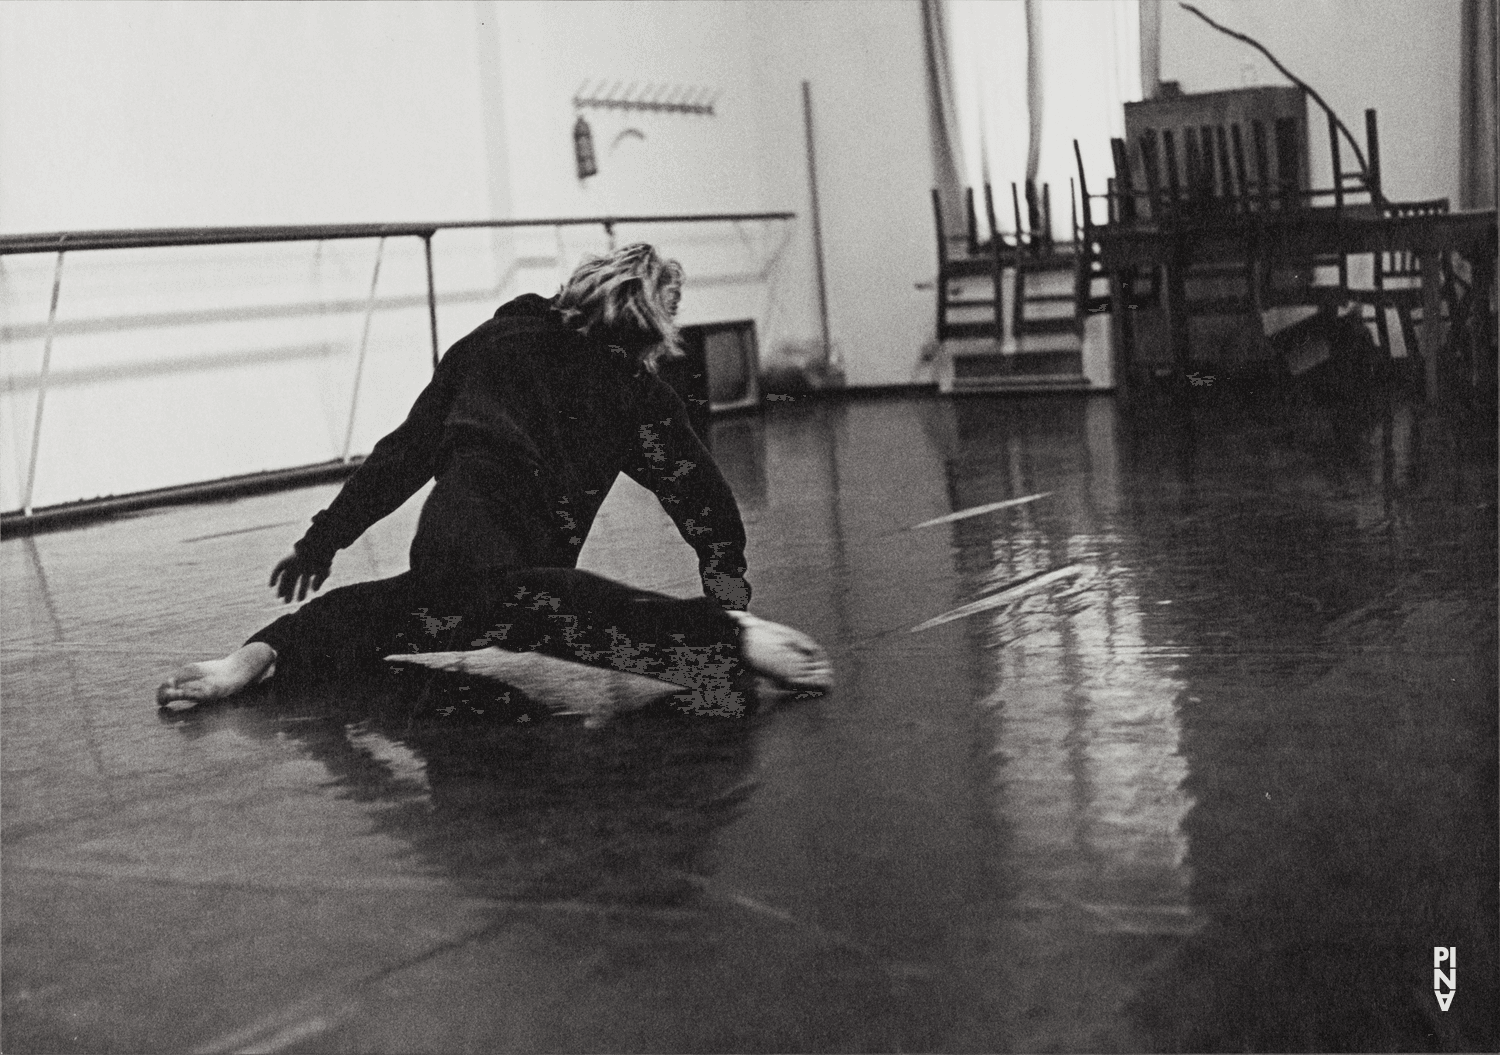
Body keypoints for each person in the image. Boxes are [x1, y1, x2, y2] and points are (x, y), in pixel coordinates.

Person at [157, 243, 831, 716]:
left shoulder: (489, 341)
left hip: (446, 557)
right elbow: (702, 499)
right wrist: (730, 603)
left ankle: (248, 658)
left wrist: (321, 541)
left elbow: (403, 454)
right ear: (654, 320)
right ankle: (730, 638)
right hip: (516, 579)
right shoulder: (631, 386)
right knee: (585, 613)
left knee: (374, 612)